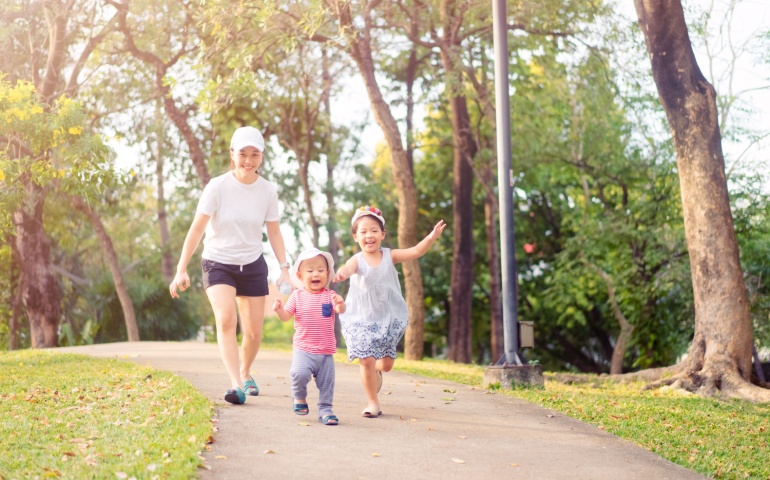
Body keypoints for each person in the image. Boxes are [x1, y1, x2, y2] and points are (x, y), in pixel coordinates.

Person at [169, 126, 291, 405]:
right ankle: (236, 384)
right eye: (243, 153)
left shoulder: (267, 191)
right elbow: (197, 229)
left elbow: (273, 231)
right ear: (232, 154)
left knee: (253, 333)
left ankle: (246, 371)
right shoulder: (217, 186)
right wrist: (181, 268)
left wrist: (284, 266)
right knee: (226, 320)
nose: (249, 160)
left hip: (252, 263)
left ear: (262, 156)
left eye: (255, 154)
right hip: (218, 263)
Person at [333, 206, 445, 418]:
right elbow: (347, 269)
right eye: (364, 231)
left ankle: (376, 370)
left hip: (387, 317)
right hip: (361, 318)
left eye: (374, 230)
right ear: (355, 236)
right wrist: (341, 274)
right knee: (365, 359)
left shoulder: (390, 256)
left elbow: (416, 251)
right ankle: (372, 402)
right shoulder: (356, 260)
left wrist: (431, 236)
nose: (369, 235)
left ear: (383, 234)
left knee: (386, 364)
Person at [272, 248, 345, 426]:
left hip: (326, 352)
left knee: (327, 384)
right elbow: (286, 317)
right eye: (310, 271)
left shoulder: (330, 296)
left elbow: (340, 311)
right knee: (298, 373)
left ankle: (326, 410)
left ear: (327, 274)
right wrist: (279, 310)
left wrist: (340, 304)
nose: (316, 274)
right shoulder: (297, 296)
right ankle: (299, 397)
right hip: (303, 349)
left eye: (321, 270)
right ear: (300, 275)